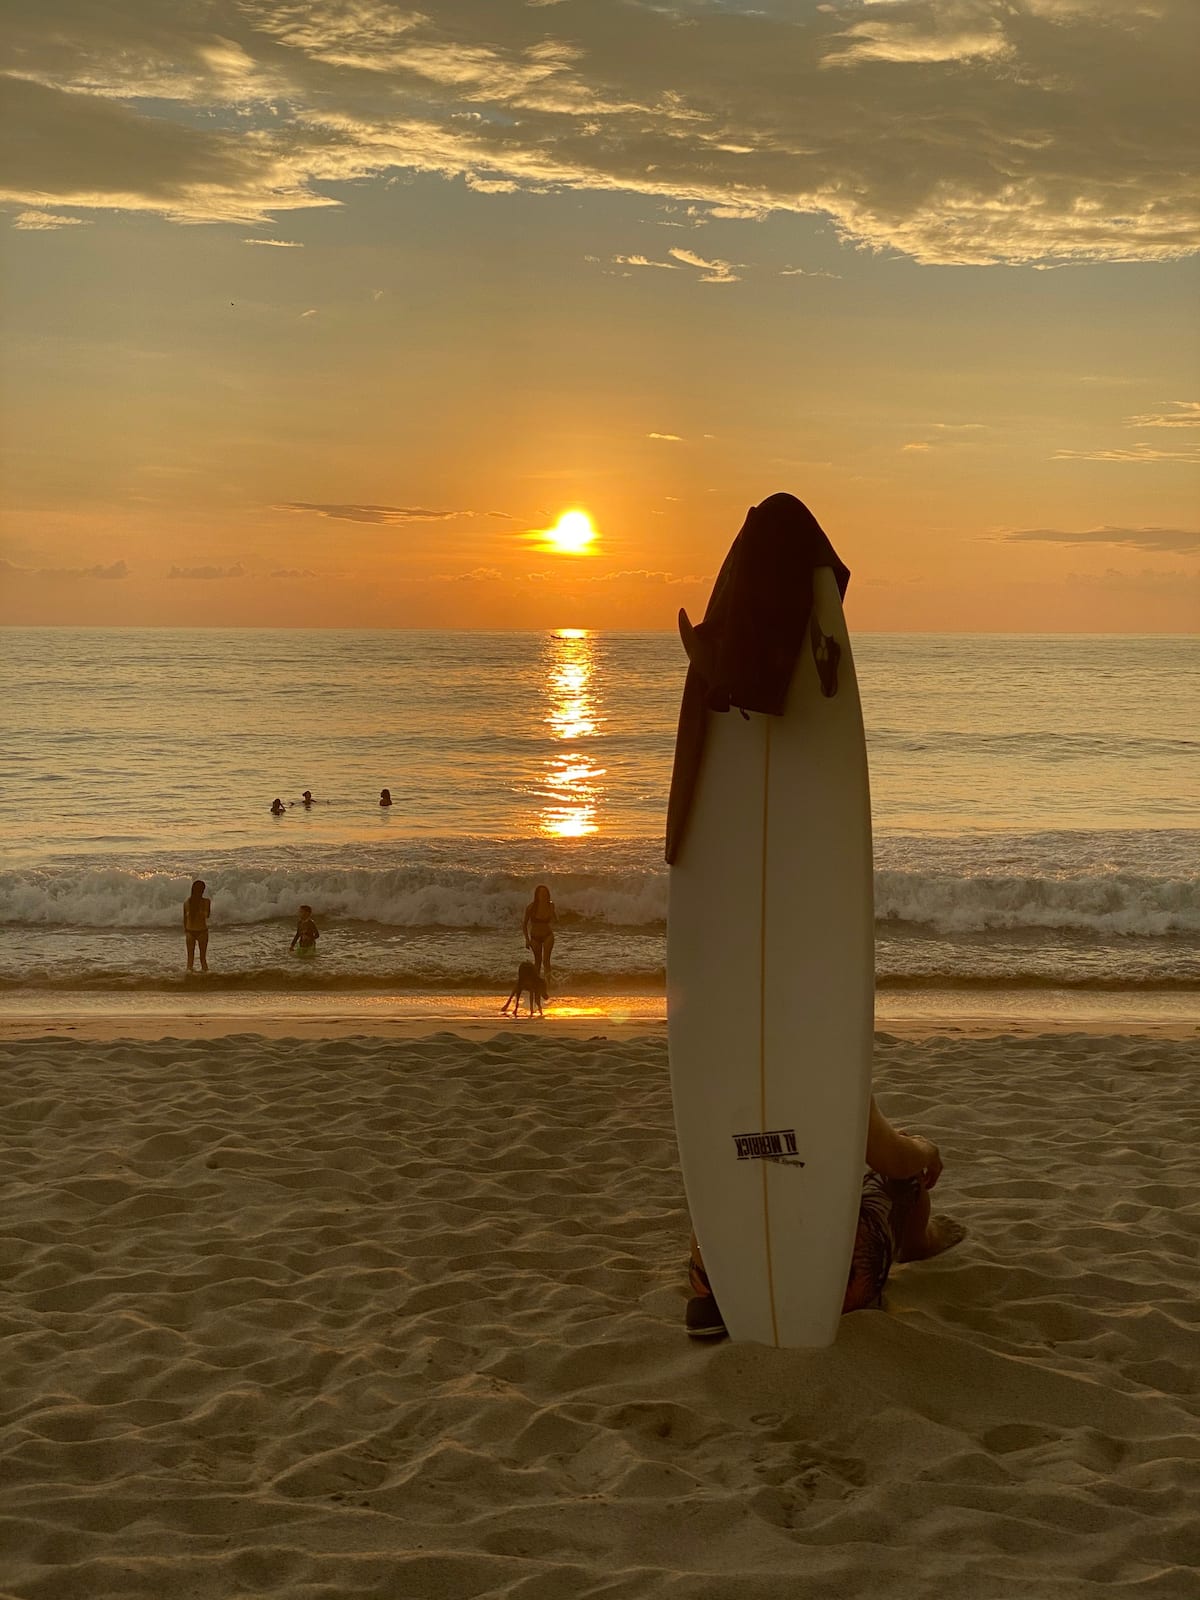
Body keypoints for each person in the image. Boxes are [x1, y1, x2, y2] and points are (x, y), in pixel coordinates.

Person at [684, 1095, 967, 1339]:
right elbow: (896, 1160)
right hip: (834, 1286)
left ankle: (724, 1299)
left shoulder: (707, 1061)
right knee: (906, 1171)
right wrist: (926, 1147)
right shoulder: (831, 1058)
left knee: (747, 1173)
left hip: (713, 1274)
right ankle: (920, 1242)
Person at [522, 884, 557, 979]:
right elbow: (524, 924)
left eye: (545, 893)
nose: (543, 895)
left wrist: (556, 920)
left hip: (548, 935)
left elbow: (555, 919)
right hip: (535, 937)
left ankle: (548, 984)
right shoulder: (531, 907)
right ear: (537, 895)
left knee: (546, 961)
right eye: (541, 893)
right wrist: (527, 940)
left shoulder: (551, 905)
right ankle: (536, 984)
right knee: (537, 962)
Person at [183, 879, 211, 973]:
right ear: (202, 890)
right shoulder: (206, 902)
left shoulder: (187, 902)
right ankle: (205, 981)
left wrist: (186, 931)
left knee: (190, 960)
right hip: (202, 931)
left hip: (189, 931)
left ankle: (188, 982)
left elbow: (185, 921)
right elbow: (207, 915)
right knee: (203, 959)